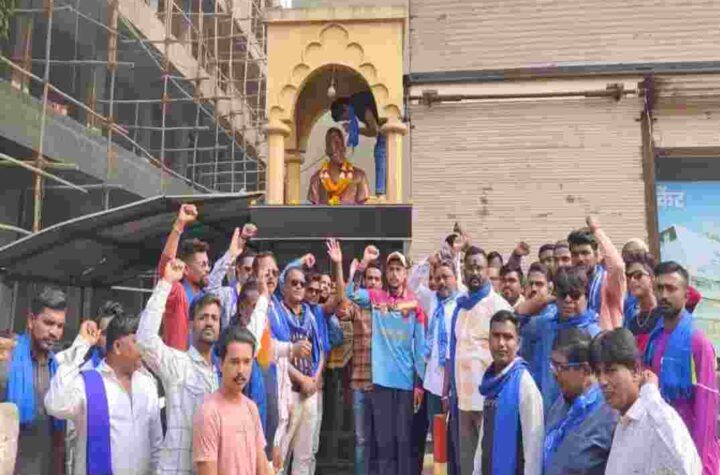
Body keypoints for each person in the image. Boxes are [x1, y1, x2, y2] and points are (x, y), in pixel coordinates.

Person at [135, 258, 260, 474]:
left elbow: (252, 343)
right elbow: (144, 339)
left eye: (214, 318)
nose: (210, 322)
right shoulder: (178, 364)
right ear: (191, 324)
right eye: (203, 317)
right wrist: (166, 283)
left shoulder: (224, 373)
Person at [45, 316, 163, 475]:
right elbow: (55, 405)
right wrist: (82, 344)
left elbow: (155, 444)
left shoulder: (147, 384)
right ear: (117, 346)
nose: (143, 348)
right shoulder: (87, 383)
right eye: (136, 342)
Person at [347, 246, 426, 475]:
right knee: (383, 444)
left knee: (403, 442)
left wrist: (419, 383)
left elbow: (419, 349)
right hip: (380, 383)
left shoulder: (414, 305)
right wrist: (362, 265)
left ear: (405, 273)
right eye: (390, 269)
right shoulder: (375, 297)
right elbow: (351, 294)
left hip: (405, 384)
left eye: (398, 269)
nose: (393, 274)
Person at [592, 328, 702, 475]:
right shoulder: (623, 421)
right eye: (598, 373)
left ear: (636, 371)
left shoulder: (655, 418)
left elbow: (685, 466)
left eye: (610, 371)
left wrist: (651, 395)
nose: (602, 381)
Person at [644, 261, 719, 475]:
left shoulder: (697, 341)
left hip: (691, 447)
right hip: (661, 442)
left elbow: (706, 407)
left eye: (671, 288)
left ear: (686, 295)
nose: (664, 295)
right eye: (659, 288)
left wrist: (699, 463)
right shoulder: (654, 337)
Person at [448, 246, 512, 475]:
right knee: (466, 464)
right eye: (470, 267)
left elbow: (509, 356)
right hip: (463, 401)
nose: (474, 272)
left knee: (487, 463)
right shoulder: (461, 305)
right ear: (463, 270)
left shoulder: (499, 307)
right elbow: (455, 351)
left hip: (487, 401)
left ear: (487, 271)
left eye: (479, 267)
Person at [0, 286, 67, 475]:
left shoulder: (59, 370)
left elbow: (59, 437)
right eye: (48, 323)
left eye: (60, 326)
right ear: (31, 320)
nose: (54, 332)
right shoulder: (6, 361)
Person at [518, 266, 603, 412]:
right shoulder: (546, 325)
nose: (568, 300)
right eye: (563, 295)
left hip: (582, 413)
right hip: (548, 411)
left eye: (575, 295)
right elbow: (518, 319)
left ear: (586, 296)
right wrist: (545, 299)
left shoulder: (595, 333)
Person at [192, 325, 269, 475]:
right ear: (221, 364)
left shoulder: (251, 408)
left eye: (247, 362)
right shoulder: (209, 412)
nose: (241, 370)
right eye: (234, 362)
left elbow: (262, 467)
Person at [543, 328, 618, 475]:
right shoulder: (561, 402)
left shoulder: (609, 415)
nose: (554, 373)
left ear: (585, 369)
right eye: (552, 365)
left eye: (560, 367)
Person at [478, 310, 543, 475]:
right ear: (488, 340)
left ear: (518, 343)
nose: (501, 343)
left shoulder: (524, 384)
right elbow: (484, 439)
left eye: (508, 337)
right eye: (496, 336)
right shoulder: (490, 381)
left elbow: (533, 448)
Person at [411, 259, 460, 474]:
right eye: (438, 278)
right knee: (438, 440)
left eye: (446, 277)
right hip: (433, 385)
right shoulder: (431, 300)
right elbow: (411, 284)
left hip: (455, 387)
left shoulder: (462, 302)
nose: (441, 282)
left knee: (456, 441)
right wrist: (425, 263)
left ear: (455, 279)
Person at [339, 258, 383, 475]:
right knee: (361, 439)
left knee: (381, 439)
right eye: (370, 279)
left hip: (383, 385)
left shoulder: (388, 308)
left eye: (377, 279)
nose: (373, 282)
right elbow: (344, 301)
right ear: (364, 282)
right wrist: (359, 269)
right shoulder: (357, 307)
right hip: (359, 382)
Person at [157, 204, 211, 350]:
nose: (208, 269)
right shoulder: (177, 294)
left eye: (208, 264)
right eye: (203, 265)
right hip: (178, 368)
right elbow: (165, 267)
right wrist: (179, 225)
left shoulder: (206, 297)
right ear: (186, 270)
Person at [567, 216, 625, 329]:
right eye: (575, 254)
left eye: (585, 253)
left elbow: (617, 266)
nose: (580, 259)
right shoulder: (570, 283)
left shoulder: (608, 282)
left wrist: (596, 230)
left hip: (607, 343)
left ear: (597, 255)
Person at [330, 90, 386, 198]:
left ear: (345, 109)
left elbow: (374, 130)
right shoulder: (356, 101)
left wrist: (355, 130)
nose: (348, 119)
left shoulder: (358, 106)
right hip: (384, 125)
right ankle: (382, 190)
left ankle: (381, 191)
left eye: (345, 117)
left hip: (388, 123)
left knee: (380, 152)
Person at [308, 128, 370, 205]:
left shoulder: (359, 176)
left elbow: (363, 210)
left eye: (341, 144)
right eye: (335, 143)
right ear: (327, 150)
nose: (339, 148)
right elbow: (314, 211)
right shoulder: (316, 179)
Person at [622, 252, 662, 353]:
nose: (632, 280)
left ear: (652, 278)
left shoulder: (665, 314)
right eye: (629, 276)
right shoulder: (632, 321)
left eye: (638, 275)